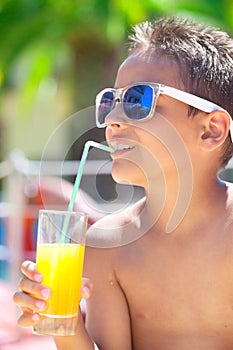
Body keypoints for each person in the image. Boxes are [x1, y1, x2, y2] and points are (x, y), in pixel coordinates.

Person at [13, 16, 233, 349]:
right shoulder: (107, 245)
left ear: (210, 130)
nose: (113, 120)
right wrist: (67, 324)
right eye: (109, 102)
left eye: (138, 100)